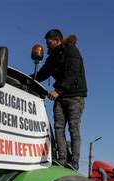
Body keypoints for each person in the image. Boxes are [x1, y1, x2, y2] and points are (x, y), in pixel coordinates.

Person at [32, 29, 87, 170]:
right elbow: (43, 73)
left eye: (49, 43)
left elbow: (72, 72)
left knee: (73, 128)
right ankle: (62, 157)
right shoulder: (52, 58)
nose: (47, 46)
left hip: (75, 95)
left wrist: (58, 90)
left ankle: (74, 160)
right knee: (58, 127)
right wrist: (28, 80)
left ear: (57, 40)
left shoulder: (71, 51)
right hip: (60, 96)